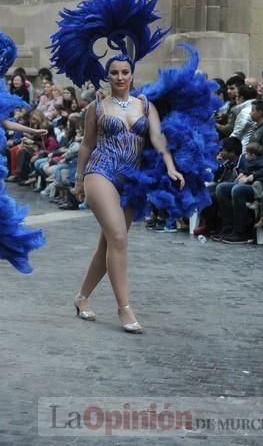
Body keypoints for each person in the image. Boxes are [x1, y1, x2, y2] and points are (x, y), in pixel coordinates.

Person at [73, 56, 185, 333]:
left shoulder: (146, 105)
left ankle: (81, 297)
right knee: (119, 238)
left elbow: (158, 138)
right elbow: (87, 145)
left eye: (125, 72)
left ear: (132, 75)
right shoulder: (96, 106)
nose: (120, 77)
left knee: (109, 243)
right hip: (100, 172)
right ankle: (124, 308)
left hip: (132, 179)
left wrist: (170, 167)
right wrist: (78, 180)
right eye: (114, 73)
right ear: (107, 76)